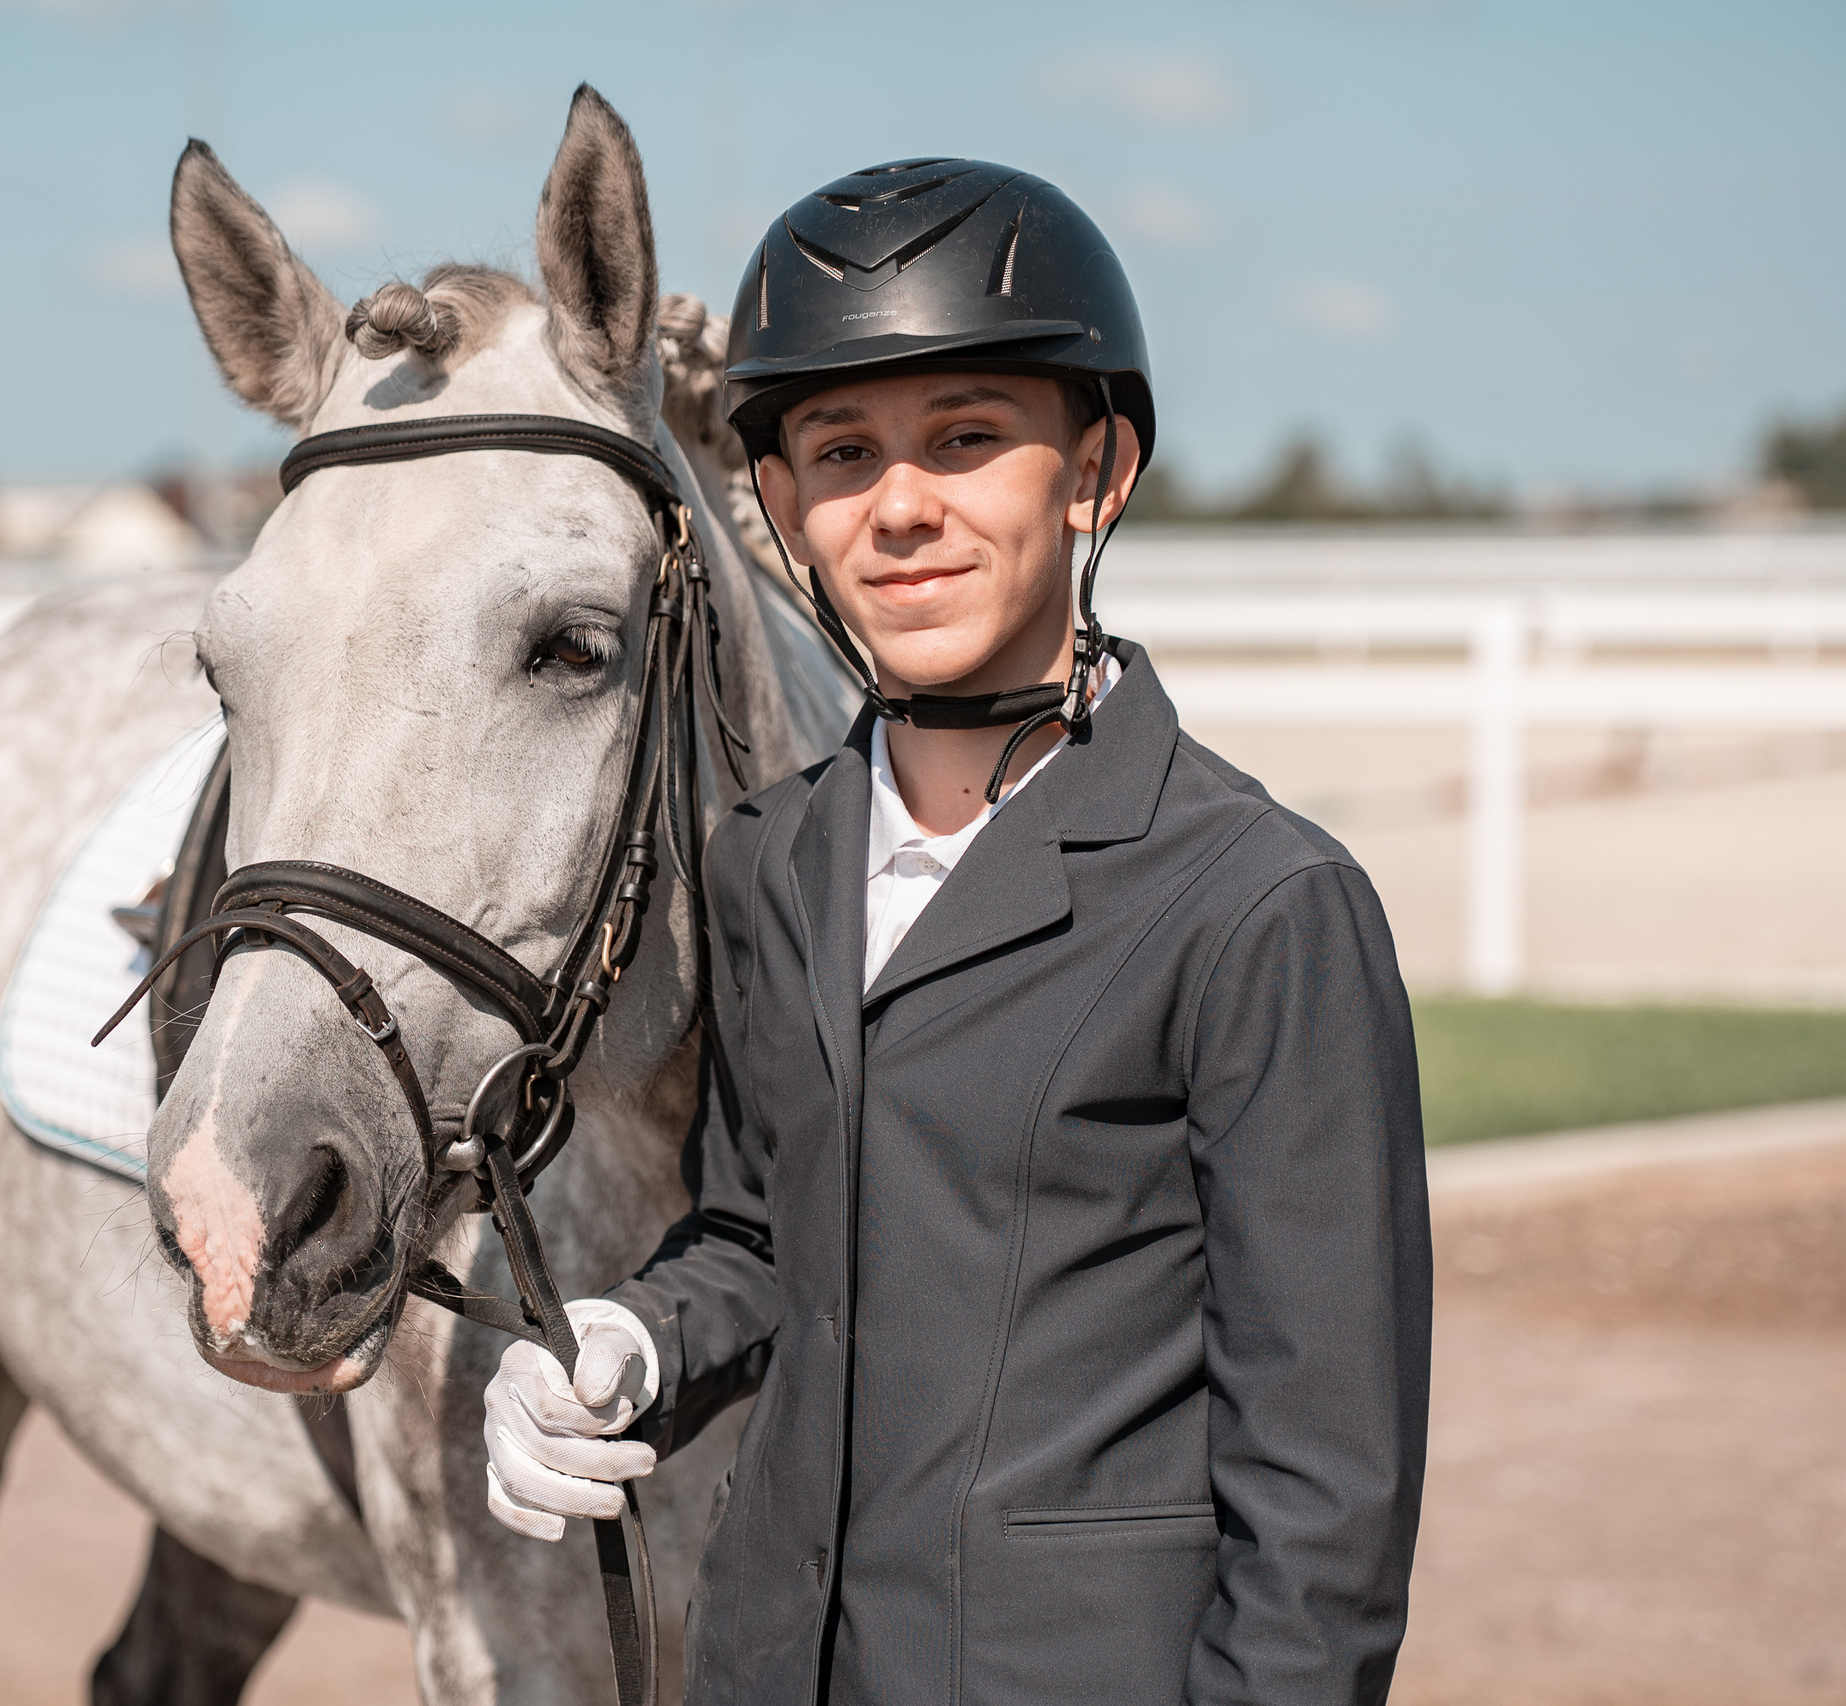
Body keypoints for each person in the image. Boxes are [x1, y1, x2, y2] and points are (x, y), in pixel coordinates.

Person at [480, 157, 1432, 1705]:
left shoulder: (1263, 906)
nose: (904, 505)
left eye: (969, 438)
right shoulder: (769, 863)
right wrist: (630, 1341)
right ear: (784, 506)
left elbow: (1326, 1500)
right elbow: (762, 1236)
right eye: (844, 453)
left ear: (1096, 470)